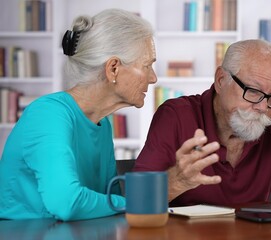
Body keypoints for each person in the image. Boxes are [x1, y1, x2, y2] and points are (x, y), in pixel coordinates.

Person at [134, 39, 271, 207]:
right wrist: (177, 181)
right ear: (220, 80)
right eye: (253, 91)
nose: (263, 108)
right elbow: (136, 201)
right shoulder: (176, 116)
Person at [0, 9, 157, 220]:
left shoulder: (102, 124)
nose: (153, 78)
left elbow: (107, 202)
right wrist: (137, 204)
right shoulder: (48, 114)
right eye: (147, 66)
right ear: (113, 69)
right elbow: (67, 203)